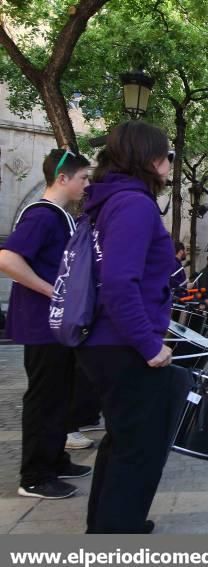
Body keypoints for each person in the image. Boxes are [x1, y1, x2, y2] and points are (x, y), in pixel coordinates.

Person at [75, 121, 193, 533]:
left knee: (122, 440)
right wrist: (149, 345)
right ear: (149, 159)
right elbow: (120, 282)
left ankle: (108, 524)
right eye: (166, 155)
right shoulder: (134, 205)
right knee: (139, 447)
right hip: (123, 343)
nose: (170, 163)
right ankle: (115, 531)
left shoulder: (108, 201)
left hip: (107, 341)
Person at [0, 148, 93, 499]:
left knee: (59, 397)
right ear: (63, 178)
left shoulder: (61, 216)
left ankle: (55, 461)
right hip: (42, 324)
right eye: (83, 178)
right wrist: (52, 290)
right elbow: (7, 259)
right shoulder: (42, 215)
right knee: (44, 400)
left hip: (57, 326)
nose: (87, 184)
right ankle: (35, 476)